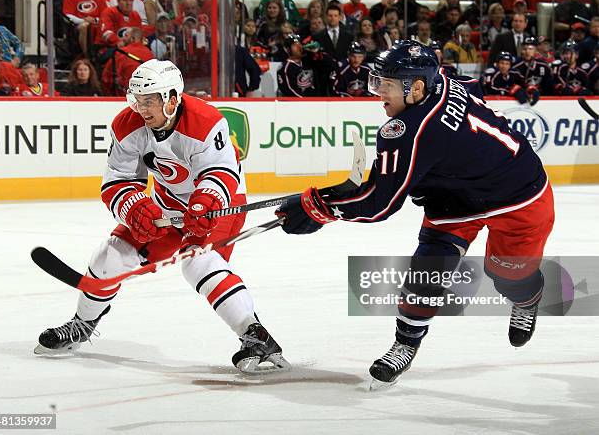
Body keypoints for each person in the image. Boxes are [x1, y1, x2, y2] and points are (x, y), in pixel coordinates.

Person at [276, 40, 554, 387]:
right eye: (375, 83)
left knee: (507, 276)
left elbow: (380, 205)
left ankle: (528, 299)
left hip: (518, 197)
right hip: (455, 198)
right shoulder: (444, 78)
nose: (378, 94)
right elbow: (472, 88)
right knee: (425, 272)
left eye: (386, 86)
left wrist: (319, 207)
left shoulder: (410, 129)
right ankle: (405, 345)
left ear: (416, 87)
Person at [35, 59, 290, 374]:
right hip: (167, 203)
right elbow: (117, 181)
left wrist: (205, 201)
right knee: (110, 256)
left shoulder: (206, 121)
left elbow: (221, 172)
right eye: (138, 99)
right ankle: (82, 324)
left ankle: (257, 338)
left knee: (198, 261)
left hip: (219, 203)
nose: (142, 108)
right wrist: (133, 205)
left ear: (172, 97)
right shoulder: (127, 125)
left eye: (150, 99)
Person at [511, 37, 554, 102]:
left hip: (541, 99)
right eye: (525, 49)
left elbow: (549, 85)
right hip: (523, 99)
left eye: (530, 49)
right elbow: (512, 84)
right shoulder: (516, 66)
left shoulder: (543, 65)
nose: (527, 51)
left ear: (535, 50)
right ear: (522, 50)